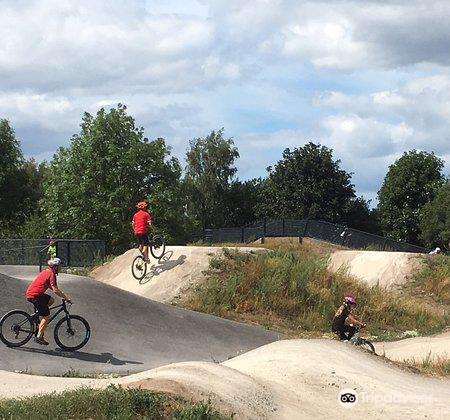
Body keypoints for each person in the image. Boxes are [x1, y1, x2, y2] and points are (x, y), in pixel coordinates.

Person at [26, 258, 71, 345]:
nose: (61, 268)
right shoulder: (51, 274)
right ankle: (38, 337)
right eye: (60, 266)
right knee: (46, 316)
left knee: (51, 300)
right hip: (35, 295)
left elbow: (51, 286)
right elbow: (55, 290)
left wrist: (62, 294)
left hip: (33, 294)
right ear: (55, 267)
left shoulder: (46, 271)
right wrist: (65, 297)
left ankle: (39, 314)